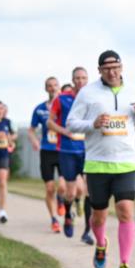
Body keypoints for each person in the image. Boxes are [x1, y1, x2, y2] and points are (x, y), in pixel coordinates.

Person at [66, 50, 135, 268]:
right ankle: (101, 244)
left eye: (116, 67)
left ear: (122, 67)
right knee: (99, 217)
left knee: (125, 211)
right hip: (98, 164)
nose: (112, 72)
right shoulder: (87, 93)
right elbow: (71, 123)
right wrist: (92, 123)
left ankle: (124, 265)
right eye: (107, 68)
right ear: (99, 70)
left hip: (126, 163)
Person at [49, 67, 94, 243]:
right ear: (72, 80)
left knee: (89, 190)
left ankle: (87, 231)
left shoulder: (93, 98)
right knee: (70, 191)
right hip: (67, 151)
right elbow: (50, 123)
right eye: (77, 78)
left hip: (89, 150)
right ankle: (68, 213)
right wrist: (65, 131)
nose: (81, 81)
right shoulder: (62, 99)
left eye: (84, 78)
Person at [29, 76, 67, 233]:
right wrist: (34, 141)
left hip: (63, 150)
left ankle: (60, 200)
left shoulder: (66, 105)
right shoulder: (40, 109)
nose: (52, 88)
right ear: (46, 89)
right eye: (49, 86)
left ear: (59, 87)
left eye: (55, 85)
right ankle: (54, 219)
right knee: (50, 188)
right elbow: (31, 129)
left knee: (63, 186)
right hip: (47, 151)